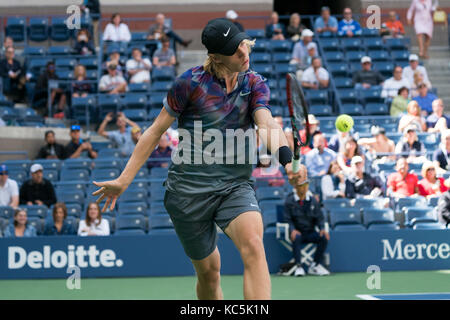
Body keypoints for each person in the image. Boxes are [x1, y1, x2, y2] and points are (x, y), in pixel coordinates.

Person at [92, 18, 306, 300]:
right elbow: (155, 131)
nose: (245, 54)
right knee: (209, 272)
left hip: (234, 186)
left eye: (244, 44)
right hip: (188, 193)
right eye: (235, 51)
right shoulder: (190, 84)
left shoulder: (254, 83)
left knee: (254, 245)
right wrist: (123, 180)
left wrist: (287, 157)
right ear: (216, 57)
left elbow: (266, 123)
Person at [284, 175, 330, 276]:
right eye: (301, 185)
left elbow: (319, 217)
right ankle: (299, 266)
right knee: (296, 236)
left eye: (306, 185)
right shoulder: (289, 201)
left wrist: (322, 228)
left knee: (323, 237)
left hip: (310, 232)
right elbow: (287, 219)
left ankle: (315, 265)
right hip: (297, 233)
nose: (304, 188)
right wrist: (292, 230)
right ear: (295, 187)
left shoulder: (313, 200)